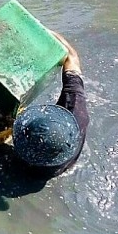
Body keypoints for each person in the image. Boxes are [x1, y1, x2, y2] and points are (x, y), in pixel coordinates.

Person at [12, 32, 90, 179]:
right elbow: (70, 57)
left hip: (28, 173)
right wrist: (40, 31)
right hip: (60, 166)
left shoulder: (21, 162)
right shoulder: (77, 112)